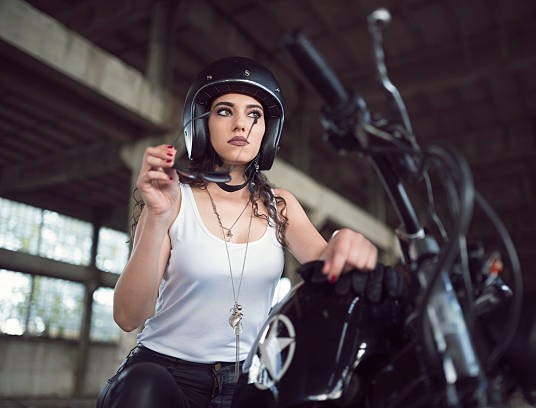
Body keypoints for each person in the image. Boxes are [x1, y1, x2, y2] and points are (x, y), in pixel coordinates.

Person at [96, 57, 378, 408]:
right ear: (202, 124)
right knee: (142, 389)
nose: (241, 124)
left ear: (268, 131)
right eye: (225, 111)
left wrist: (344, 242)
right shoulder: (172, 199)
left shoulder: (281, 206)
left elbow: (330, 263)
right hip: (166, 377)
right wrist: (156, 217)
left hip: (252, 378)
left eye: (254, 115)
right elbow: (127, 317)